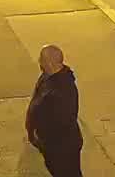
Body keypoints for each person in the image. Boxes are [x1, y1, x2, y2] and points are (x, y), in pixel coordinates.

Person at [27, 44, 84, 177]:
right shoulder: (48, 77)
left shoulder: (63, 90)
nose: (39, 62)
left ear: (50, 63)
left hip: (62, 148)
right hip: (52, 145)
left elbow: (61, 122)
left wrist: (43, 140)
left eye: (41, 59)